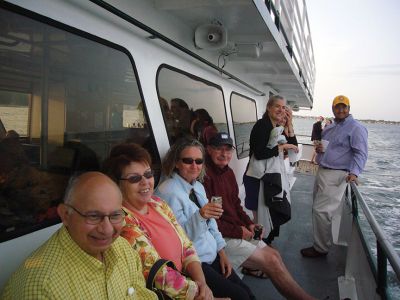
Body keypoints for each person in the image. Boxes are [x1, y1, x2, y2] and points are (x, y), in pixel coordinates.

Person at [1, 172, 157, 299]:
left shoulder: (122, 248)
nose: (108, 229)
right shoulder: (41, 289)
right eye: (94, 216)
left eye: (115, 215)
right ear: (65, 215)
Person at [202, 132, 315, 300]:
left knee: (275, 255)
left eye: (228, 149)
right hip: (219, 238)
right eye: (219, 149)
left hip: (236, 230)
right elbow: (210, 223)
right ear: (209, 150)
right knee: (272, 262)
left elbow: (236, 206)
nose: (224, 154)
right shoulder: (204, 178)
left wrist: (249, 224)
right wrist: (240, 232)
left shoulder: (229, 173)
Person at [103, 143, 213, 300]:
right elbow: (156, 272)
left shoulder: (158, 203)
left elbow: (186, 245)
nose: (145, 182)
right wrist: (200, 293)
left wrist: (201, 282)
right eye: (134, 178)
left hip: (190, 277)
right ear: (118, 185)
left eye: (148, 174)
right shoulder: (122, 219)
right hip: (166, 293)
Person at [155, 138, 255, 300]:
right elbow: (181, 241)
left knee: (247, 292)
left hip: (212, 254)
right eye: (188, 161)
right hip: (194, 262)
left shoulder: (198, 186)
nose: (194, 166)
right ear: (176, 163)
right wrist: (200, 216)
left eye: (199, 161)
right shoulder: (169, 193)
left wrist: (222, 252)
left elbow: (212, 224)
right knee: (241, 296)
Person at [301, 95, 368, 258]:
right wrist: (319, 151)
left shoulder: (356, 128)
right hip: (323, 171)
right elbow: (327, 147)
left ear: (349, 108)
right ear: (333, 108)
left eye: (344, 107)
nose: (341, 110)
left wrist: (354, 173)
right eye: (337, 107)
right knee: (318, 209)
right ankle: (320, 242)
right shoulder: (330, 127)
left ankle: (321, 248)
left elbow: (361, 153)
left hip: (337, 175)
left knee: (321, 211)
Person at [243, 95, 298, 223]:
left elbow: (293, 148)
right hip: (257, 177)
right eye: (277, 106)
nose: (281, 110)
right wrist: (283, 146)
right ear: (268, 108)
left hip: (268, 177)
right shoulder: (262, 125)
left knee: (271, 215)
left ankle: (266, 241)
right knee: (261, 220)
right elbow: (260, 154)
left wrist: (289, 125)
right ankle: (262, 242)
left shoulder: (276, 128)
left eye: (283, 107)